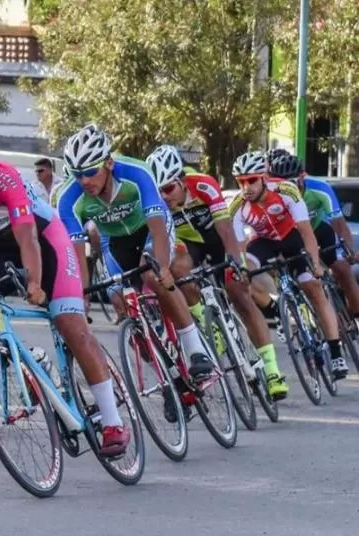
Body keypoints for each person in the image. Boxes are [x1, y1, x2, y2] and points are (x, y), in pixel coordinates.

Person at [0, 123, 131, 457]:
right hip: (1, 251)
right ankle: (29, 361)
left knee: (70, 323)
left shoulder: (0, 176)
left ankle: (113, 420)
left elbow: (27, 236)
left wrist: (33, 281)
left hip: (45, 242)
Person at [53, 124, 214, 381]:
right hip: (115, 239)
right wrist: (81, 296)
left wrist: (162, 265)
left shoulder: (135, 172)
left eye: (90, 171)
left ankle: (195, 348)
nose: (84, 180)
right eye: (77, 174)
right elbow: (76, 251)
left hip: (150, 228)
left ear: (107, 163)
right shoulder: (68, 198)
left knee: (152, 274)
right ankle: (168, 378)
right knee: (119, 302)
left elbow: (158, 226)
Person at [146, 145, 288, 399]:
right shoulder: (157, 201)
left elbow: (226, 231)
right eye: (159, 191)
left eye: (169, 188)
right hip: (189, 245)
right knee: (177, 271)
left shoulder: (203, 184)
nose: (164, 196)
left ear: (182, 180)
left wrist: (237, 264)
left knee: (240, 295)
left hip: (218, 239)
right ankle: (207, 321)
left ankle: (272, 370)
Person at [228, 150, 349, 379]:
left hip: (292, 237)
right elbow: (240, 247)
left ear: (264, 177)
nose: (247, 187)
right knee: (241, 277)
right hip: (263, 242)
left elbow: (306, 231)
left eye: (252, 180)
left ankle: (335, 351)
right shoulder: (236, 205)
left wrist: (315, 262)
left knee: (312, 286)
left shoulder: (286, 190)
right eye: (241, 182)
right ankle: (274, 308)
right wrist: (243, 269)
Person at [269, 152, 359, 319]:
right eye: (281, 184)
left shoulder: (319, 188)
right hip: (293, 235)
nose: (288, 188)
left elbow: (339, 223)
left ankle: (354, 311)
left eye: (292, 182)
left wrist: (348, 248)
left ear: (303, 177)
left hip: (318, 230)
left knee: (342, 268)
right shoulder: (272, 194)